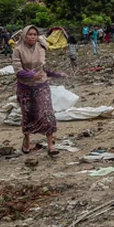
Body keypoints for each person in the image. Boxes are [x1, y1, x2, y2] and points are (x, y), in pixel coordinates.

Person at [12, 26, 67, 156]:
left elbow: (43, 69)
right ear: (24, 36)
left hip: (42, 85)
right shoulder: (18, 50)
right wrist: (31, 75)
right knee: (28, 115)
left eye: (35, 34)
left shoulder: (41, 48)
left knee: (47, 113)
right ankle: (27, 140)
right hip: (25, 87)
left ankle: (51, 145)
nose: (33, 37)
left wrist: (57, 74)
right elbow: (17, 70)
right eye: (30, 34)